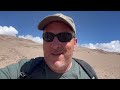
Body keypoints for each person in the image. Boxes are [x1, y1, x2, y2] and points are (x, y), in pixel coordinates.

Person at [0, 13, 97, 79]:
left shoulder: (88, 74)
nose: (55, 45)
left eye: (64, 36)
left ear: (75, 43)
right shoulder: (25, 69)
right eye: (48, 36)